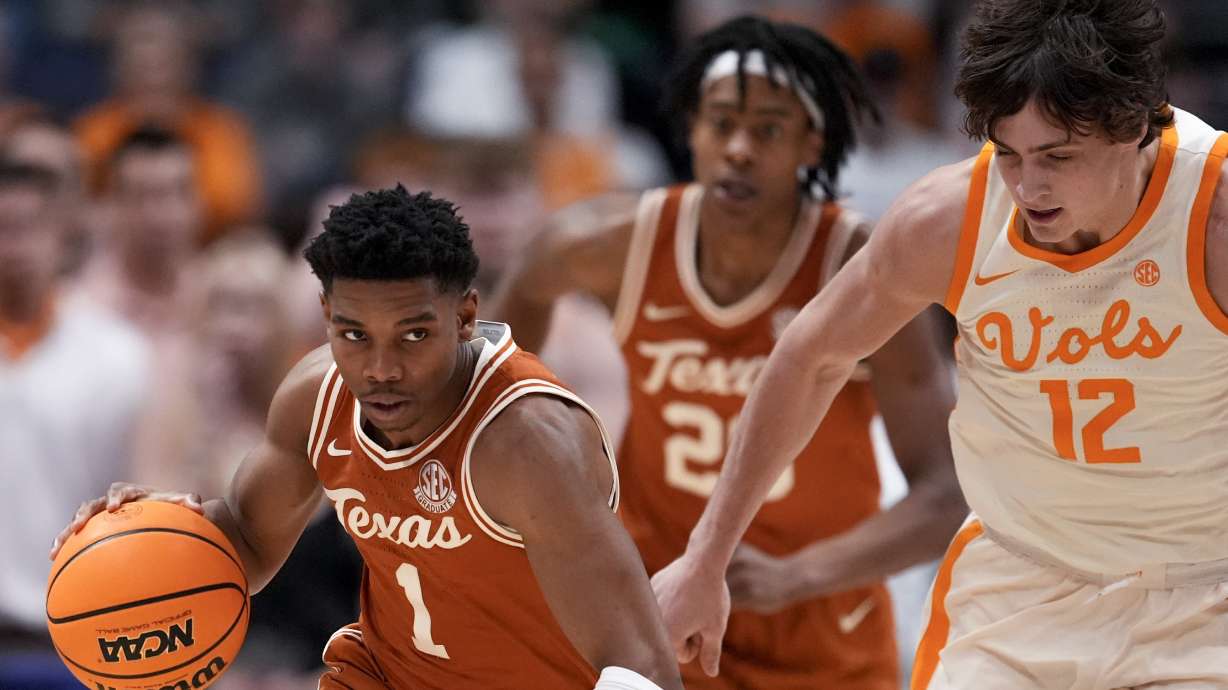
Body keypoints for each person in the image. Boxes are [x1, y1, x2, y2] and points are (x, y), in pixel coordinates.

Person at [652, 2, 1228, 688]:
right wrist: (706, 556)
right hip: (1021, 583)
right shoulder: (948, 218)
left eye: (1058, 157)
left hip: (1201, 591)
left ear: (1135, 126)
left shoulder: (1213, 215)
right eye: (1009, 153)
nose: (1028, 187)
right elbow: (811, 359)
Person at [490, 15, 965, 689]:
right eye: (720, 124)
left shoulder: (857, 267)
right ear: (690, 129)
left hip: (817, 617)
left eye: (767, 129)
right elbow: (524, 290)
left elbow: (945, 494)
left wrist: (799, 575)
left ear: (812, 141)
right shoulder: (615, 243)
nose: (739, 148)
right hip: (659, 605)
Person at [54, 186, 684, 690]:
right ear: (327, 316)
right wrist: (143, 540)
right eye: (355, 334)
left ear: (465, 316)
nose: (380, 368)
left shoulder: (529, 441)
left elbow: (642, 666)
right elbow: (244, 539)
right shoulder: (315, 398)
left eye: (413, 335)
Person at [0, 160, 150, 690]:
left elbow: (138, 501)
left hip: (72, 641)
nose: (12, 246)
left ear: (62, 237)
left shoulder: (120, 356)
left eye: (27, 228)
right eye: (1, 228)